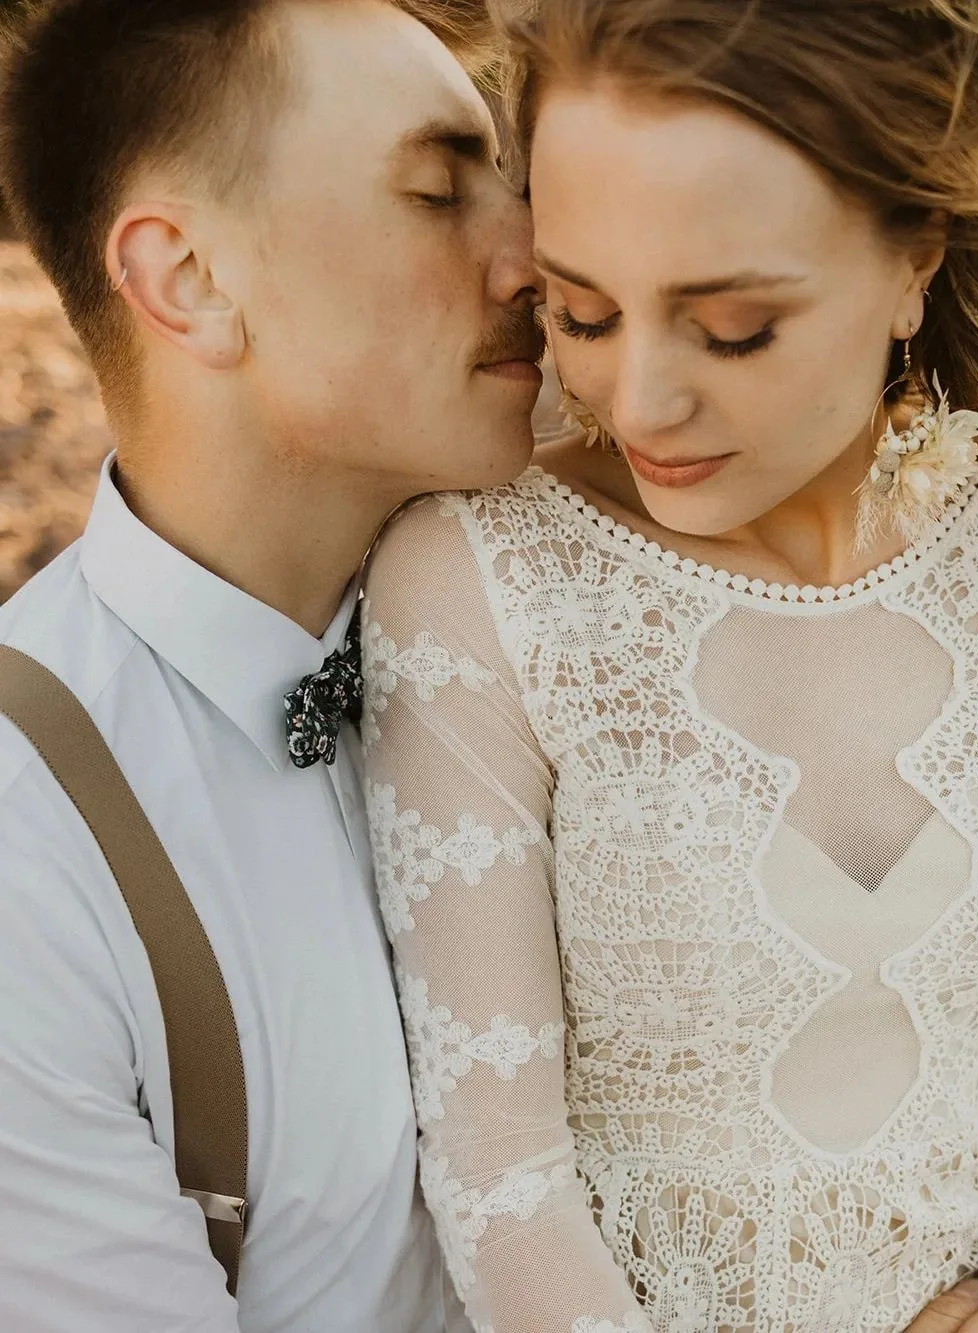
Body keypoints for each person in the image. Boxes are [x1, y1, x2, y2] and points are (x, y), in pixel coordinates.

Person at [360, 0, 978, 1329]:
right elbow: (500, 1179)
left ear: (914, 256)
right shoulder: (483, 586)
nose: (636, 403)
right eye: (580, 310)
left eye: (732, 326)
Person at [0, 1, 544, 1329]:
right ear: (188, 280)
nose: (533, 258)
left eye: (515, 189)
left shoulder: (586, 634)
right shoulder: (28, 852)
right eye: (435, 193)